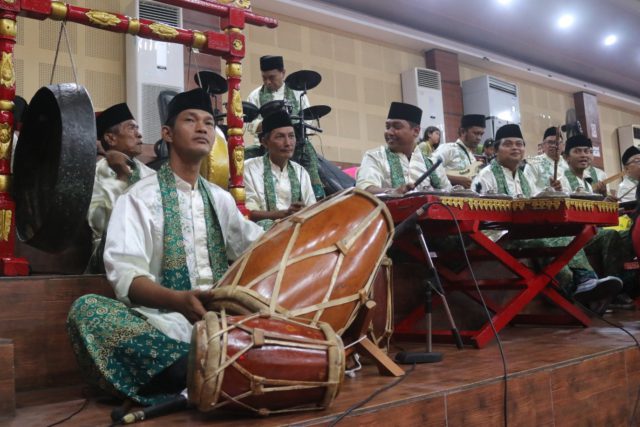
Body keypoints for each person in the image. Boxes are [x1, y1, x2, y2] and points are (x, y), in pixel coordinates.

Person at [67, 89, 264, 405]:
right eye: (191, 120)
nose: (202, 128)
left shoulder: (221, 200)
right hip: (162, 326)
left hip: (226, 325)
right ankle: (206, 369)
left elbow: (258, 247)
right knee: (88, 310)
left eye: (209, 123)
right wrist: (178, 301)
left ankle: (203, 371)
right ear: (167, 133)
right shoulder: (138, 198)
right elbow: (127, 278)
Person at [472, 124, 621, 311]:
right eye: (508, 144)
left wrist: (551, 193)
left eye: (519, 144)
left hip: (522, 232)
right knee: (553, 240)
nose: (515, 148)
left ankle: (585, 283)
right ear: (495, 150)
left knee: (565, 236)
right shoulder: (484, 176)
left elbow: (533, 202)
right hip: (497, 236)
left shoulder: (522, 177)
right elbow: (476, 211)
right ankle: (578, 290)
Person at [87, 103, 155, 272]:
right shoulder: (96, 173)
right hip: (109, 256)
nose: (139, 134)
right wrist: (122, 179)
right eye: (131, 128)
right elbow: (100, 222)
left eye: (138, 128)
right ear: (111, 138)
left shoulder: (151, 174)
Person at [244, 110, 316, 227]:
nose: (288, 143)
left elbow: (312, 209)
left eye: (291, 136)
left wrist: (303, 211)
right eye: (280, 137)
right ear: (265, 142)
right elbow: (248, 213)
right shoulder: (249, 169)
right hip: (260, 234)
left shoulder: (301, 172)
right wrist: (282, 215)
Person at [356, 102, 423, 195]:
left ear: (416, 131)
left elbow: (447, 191)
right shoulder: (375, 156)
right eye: (387, 127)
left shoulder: (430, 161)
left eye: (397, 127)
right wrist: (392, 192)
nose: (389, 132)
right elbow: (364, 190)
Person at [246, 55, 310, 144]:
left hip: (295, 143)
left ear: (283, 73)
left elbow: (308, 118)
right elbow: (248, 123)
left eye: (272, 77)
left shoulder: (297, 93)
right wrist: (266, 125)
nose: (268, 82)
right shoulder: (255, 95)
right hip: (264, 146)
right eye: (264, 78)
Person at [433, 114, 485, 188]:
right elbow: (429, 168)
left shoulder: (472, 157)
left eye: (481, 134)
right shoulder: (449, 149)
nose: (479, 138)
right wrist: (454, 179)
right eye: (476, 133)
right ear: (463, 131)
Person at [526, 127, 568, 192]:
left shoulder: (568, 164)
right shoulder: (533, 163)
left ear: (563, 146)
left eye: (558, 142)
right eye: (550, 142)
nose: (555, 145)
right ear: (543, 145)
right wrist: (549, 191)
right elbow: (527, 189)